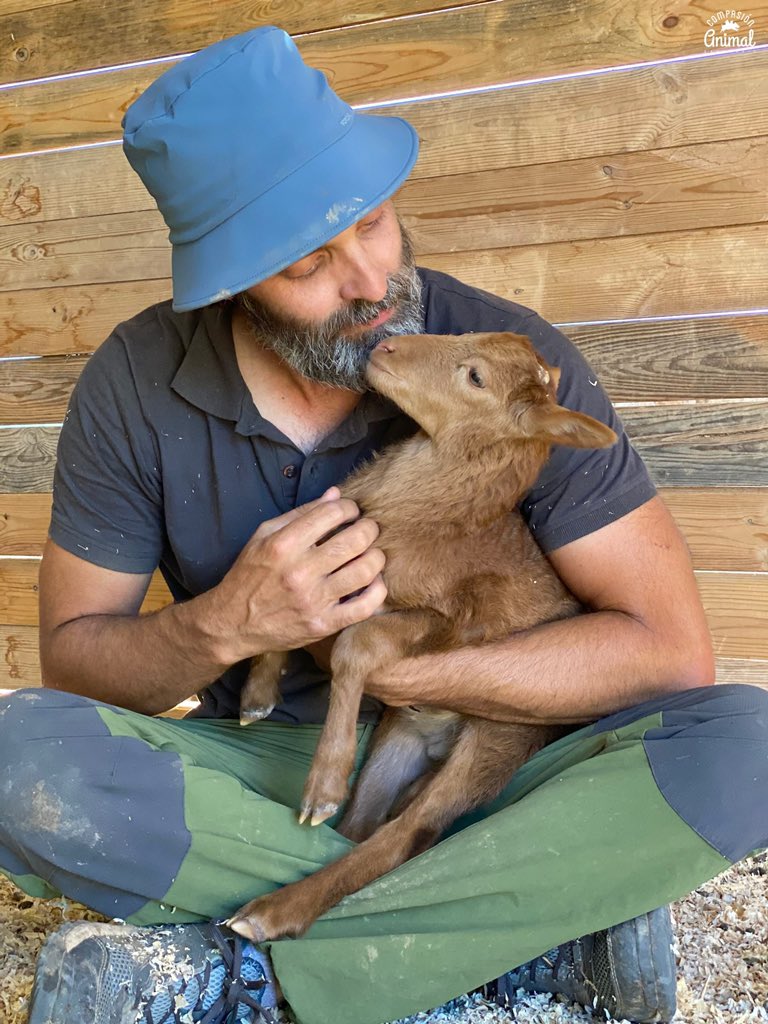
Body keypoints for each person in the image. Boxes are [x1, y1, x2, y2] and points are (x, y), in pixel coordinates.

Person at [2, 24, 766, 1024]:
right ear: (232, 282)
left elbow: (667, 650)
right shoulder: (135, 383)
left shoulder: (506, 361)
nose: (368, 280)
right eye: (309, 262)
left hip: (496, 751)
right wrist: (227, 624)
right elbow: (77, 662)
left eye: (372, 220)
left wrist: (402, 673)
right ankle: (503, 929)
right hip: (277, 757)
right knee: (21, 755)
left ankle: (255, 969)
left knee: (743, 742)